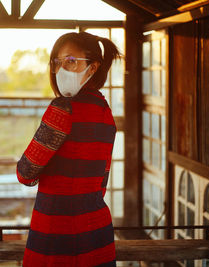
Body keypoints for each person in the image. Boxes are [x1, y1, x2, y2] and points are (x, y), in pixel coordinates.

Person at [17, 31, 121, 267]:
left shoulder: (62, 109)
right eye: (57, 62)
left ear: (93, 67)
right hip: (96, 236)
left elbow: (25, 173)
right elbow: (101, 184)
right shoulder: (106, 113)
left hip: (57, 236)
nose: (61, 68)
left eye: (71, 61)